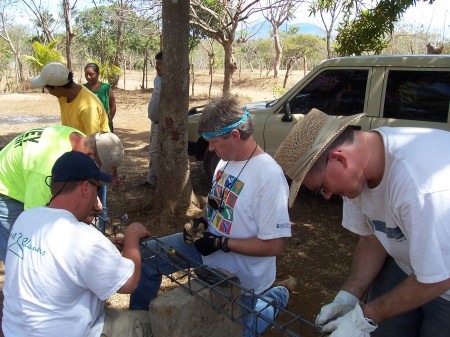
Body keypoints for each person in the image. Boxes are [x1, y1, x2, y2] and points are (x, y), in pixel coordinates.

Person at [274, 108, 450, 337]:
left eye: (322, 189)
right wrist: (349, 295)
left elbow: (437, 278)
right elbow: (371, 237)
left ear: (338, 158)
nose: (327, 196)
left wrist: (366, 316)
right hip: (410, 265)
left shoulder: (420, 187)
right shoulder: (357, 173)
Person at [130, 96, 295, 336]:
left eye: (213, 142)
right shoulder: (224, 162)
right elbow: (218, 205)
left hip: (243, 276)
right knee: (149, 255)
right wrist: (202, 223)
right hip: (209, 251)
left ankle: (276, 297)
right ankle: (138, 324)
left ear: (235, 136)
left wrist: (221, 243)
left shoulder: (268, 177)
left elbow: (275, 245)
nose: (209, 149)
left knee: (240, 330)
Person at [2, 151, 151, 337]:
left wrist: (105, 246)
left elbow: (61, 255)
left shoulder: (26, 218)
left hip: (14, 330)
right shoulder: (84, 238)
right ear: (86, 188)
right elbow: (129, 283)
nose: (97, 202)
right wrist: (132, 238)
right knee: (151, 323)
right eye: (97, 188)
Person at [0, 125, 124, 262]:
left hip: (24, 177)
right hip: (5, 191)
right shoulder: (47, 169)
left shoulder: (82, 140)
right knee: (25, 252)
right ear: (90, 156)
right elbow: (38, 223)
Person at [31, 62, 112, 230]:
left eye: (48, 88)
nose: (48, 92)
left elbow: (94, 148)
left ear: (57, 87)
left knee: (95, 206)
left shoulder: (87, 106)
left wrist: (91, 179)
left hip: (93, 158)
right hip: (76, 156)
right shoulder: (64, 97)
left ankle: (100, 235)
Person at [84, 62, 121, 185]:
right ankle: (94, 174)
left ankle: (114, 175)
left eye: (91, 74)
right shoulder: (83, 89)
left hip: (104, 126)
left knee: (109, 150)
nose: (89, 77)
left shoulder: (106, 88)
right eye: (86, 75)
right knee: (93, 151)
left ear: (98, 74)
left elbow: (112, 104)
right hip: (90, 125)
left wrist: (110, 118)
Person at [140, 52, 162, 189]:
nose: (157, 67)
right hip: (154, 122)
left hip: (163, 124)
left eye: (160, 64)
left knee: (154, 152)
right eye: (156, 63)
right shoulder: (157, 79)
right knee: (152, 152)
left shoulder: (170, 81)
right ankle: (151, 179)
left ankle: (165, 181)